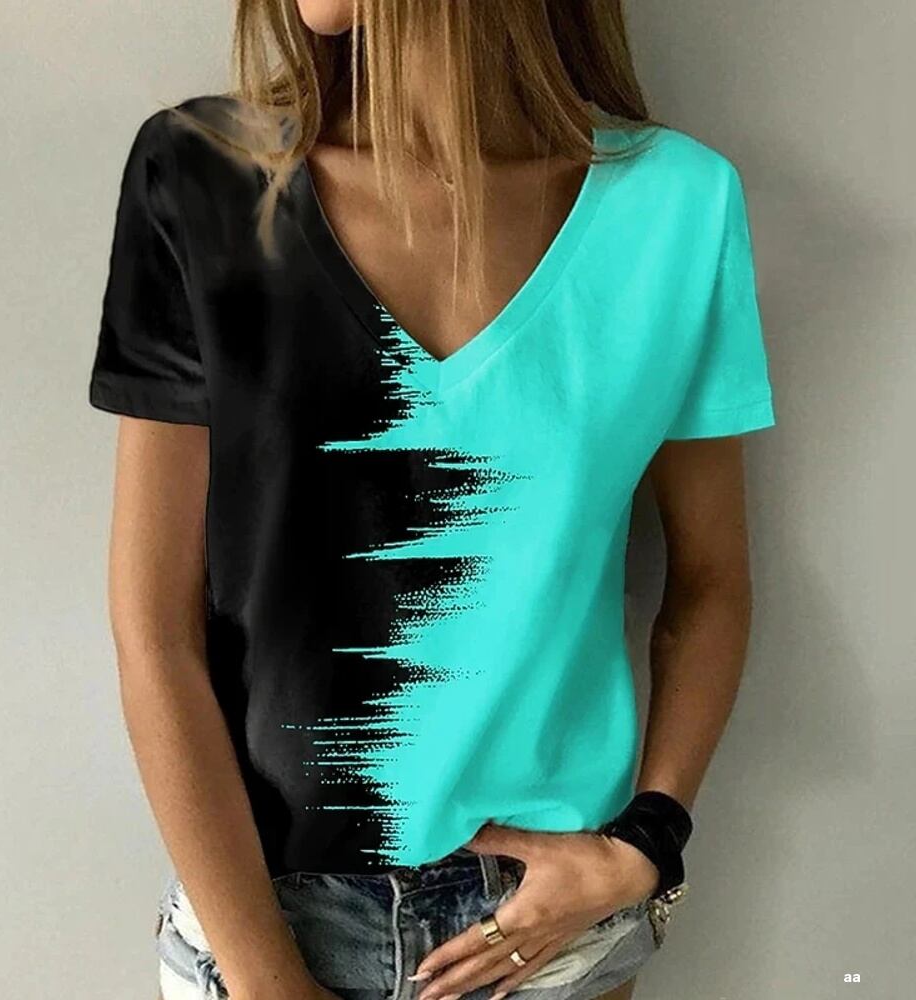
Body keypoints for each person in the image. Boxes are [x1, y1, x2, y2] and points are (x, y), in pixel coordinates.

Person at [87, 2, 776, 999]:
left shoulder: (678, 205)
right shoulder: (202, 175)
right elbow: (153, 628)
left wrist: (646, 844)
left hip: (540, 929)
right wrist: (270, 981)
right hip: (261, 915)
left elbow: (710, 582)